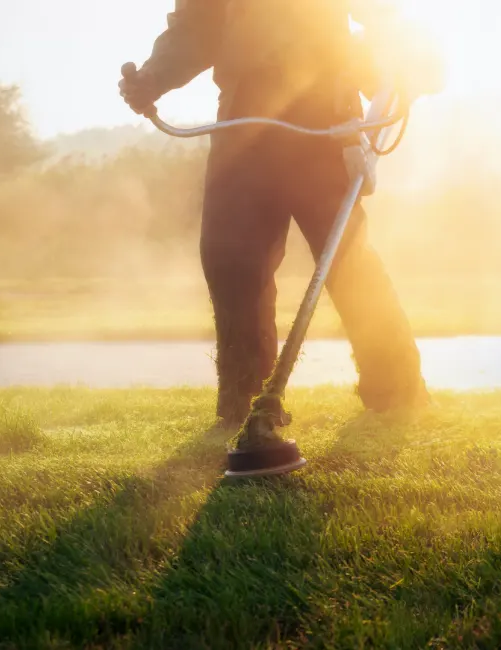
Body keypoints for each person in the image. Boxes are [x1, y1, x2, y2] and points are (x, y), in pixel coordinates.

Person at [119, 0, 433, 429]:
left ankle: (397, 393)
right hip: (241, 120)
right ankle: (244, 402)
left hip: (324, 115)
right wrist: (153, 77)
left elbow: (380, 16)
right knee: (231, 261)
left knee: (345, 259)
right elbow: (194, 30)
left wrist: (400, 58)